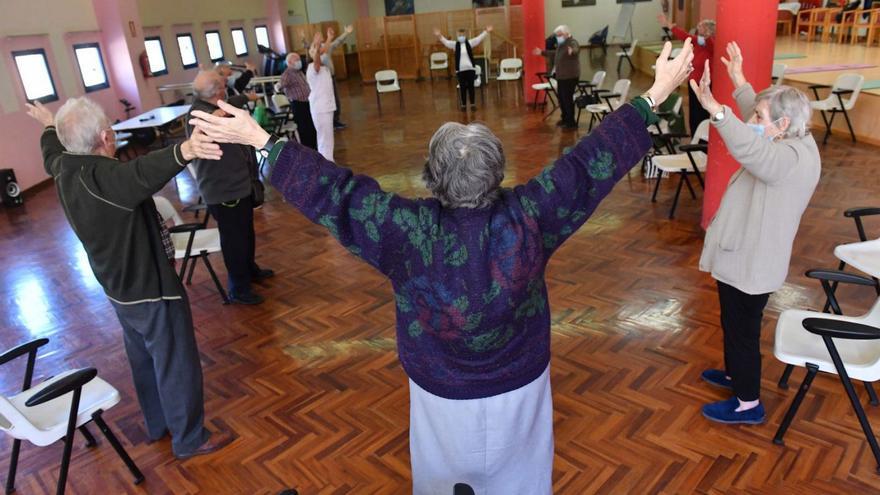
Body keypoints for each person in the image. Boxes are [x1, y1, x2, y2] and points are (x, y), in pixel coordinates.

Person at [189, 40, 695, 494]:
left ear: (431, 177)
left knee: (442, 478)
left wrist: (263, 142)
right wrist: (653, 97)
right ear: (497, 174)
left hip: (439, 389)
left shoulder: (404, 231)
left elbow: (336, 195)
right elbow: (588, 165)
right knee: (520, 477)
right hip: (519, 384)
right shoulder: (530, 217)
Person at [24, 97, 233, 459]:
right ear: (106, 137)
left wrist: (47, 122)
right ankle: (190, 438)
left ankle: (158, 425)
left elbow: (50, 148)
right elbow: (142, 172)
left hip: (119, 292)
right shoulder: (106, 178)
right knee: (175, 362)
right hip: (150, 290)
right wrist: (186, 149)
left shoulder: (62, 167)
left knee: (145, 360)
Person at [689, 42, 821, 424]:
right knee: (734, 326)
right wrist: (741, 82)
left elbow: (751, 145)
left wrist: (715, 109)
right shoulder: (793, 136)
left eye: (761, 116)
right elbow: (758, 125)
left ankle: (748, 402)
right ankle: (736, 375)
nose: (754, 120)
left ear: (782, 125)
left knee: (742, 332)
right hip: (745, 257)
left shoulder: (787, 159)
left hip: (751, 263)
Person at [188, 70, 274, 305]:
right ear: (217, 91)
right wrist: (219, 114)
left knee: (245, 232)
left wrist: (246, 98)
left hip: (238, 187)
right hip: (224, 191)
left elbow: (230, 103)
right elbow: (204, 126)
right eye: (223, 84)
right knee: (234, 238)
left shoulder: (212, 104)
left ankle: (249, 270)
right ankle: (238, 288)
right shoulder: (198, 115)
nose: (226, 87)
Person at [657, 13, 715, 135]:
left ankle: (701, 137)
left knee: (702, 112)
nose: (699, 29)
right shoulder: (699, 42)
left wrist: (708, 35)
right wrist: (669, 25)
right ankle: (694, 135)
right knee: (693, 111)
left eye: (703, 27)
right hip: (693, 82)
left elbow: (707, 42)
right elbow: (685, 37)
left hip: (704, 84)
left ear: (709, 30)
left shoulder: (711, 43)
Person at [301, 25, 353, 129]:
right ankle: (329, 122)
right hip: (319, 80)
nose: (318, 38)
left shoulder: (327, 46)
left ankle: (335, 120)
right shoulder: (313, 49)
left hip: (330, 78)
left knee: (335, 99)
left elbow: (338, 41)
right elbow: (310, 48)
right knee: (324, 100)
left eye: (320, 36)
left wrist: (346, 33)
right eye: (317, 36)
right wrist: (303, 39)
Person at [433, 25, 493, 110]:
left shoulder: (470, 43)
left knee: (471, 88)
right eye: (459, 35)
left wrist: (486, 31)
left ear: (465, 35)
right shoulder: (454, 44)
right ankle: (463, 105)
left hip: (470, 70)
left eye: (463, 35)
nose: (461, 36)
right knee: (462, 88)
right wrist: (439, 35)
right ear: (457, 36)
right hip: (460, 71)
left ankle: (472, 104)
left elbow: (479, 38)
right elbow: (445, 42)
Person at [533, 25, 580, 129]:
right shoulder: (561, 45)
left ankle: (571, 122)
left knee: (567, 99)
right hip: (561, 76)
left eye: (559, 35)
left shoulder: (572, 42)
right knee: (562, 99)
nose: (558, 37)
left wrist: (572, 51)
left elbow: (575, 49)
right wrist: (541, 52)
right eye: (557, 35)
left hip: (569, 76)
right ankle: (564, 119)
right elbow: (555, 53)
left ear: (566, 34)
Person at [278, 52, 318, 150]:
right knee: (304, 128)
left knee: (311, 127)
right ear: (290, 62)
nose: (299, 62)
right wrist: (278, 87)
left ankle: (314, 147)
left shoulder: (299, 71)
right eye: (296, 60)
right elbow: (280, 85)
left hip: (307, 103)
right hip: (298, 104)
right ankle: (308, 150)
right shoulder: (287, 74)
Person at [306, 31, 336, 161]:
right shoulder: (313, 68)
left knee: (327, 138)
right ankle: (327, 164)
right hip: (320, 109)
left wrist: (328, 38)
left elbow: (324, 51)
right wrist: (316, 45)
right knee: (325, 139)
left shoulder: (324, 68)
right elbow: (318, 57)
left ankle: (327, 162)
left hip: (326, 107)